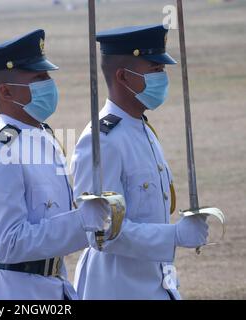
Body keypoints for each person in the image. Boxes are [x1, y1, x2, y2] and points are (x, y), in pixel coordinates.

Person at [0, 29, 114, 300]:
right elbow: (8, 244)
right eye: (39, 77)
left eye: (47, 75)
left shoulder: (44, 138)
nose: (49, 83)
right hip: (13, 291)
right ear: (6, 91)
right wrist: (81, 221)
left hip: (55, 285)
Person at [71, 24, 210, 299]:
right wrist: (175, 236)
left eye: (163, 70)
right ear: (123, 76)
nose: (163, 78)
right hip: (118, 287)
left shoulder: (141, 128)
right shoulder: (102, 140)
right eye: (155, 70)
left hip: (156, 282)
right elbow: (101, 231)